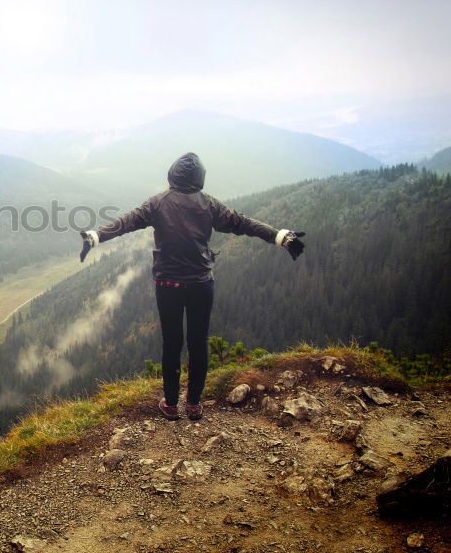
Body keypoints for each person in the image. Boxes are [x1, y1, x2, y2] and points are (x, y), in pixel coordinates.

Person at [78, 152, 305, 421]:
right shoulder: (208, 205)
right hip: (201, 283)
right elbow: (243, 223)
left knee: (171, 343)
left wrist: (95, 237)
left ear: (172, 174)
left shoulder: (157, 203)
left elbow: (126, 222)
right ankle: (195, 404)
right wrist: (279, 236)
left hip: (168, 283)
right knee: (199, 343)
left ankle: (171, 404)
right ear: (200, 178)